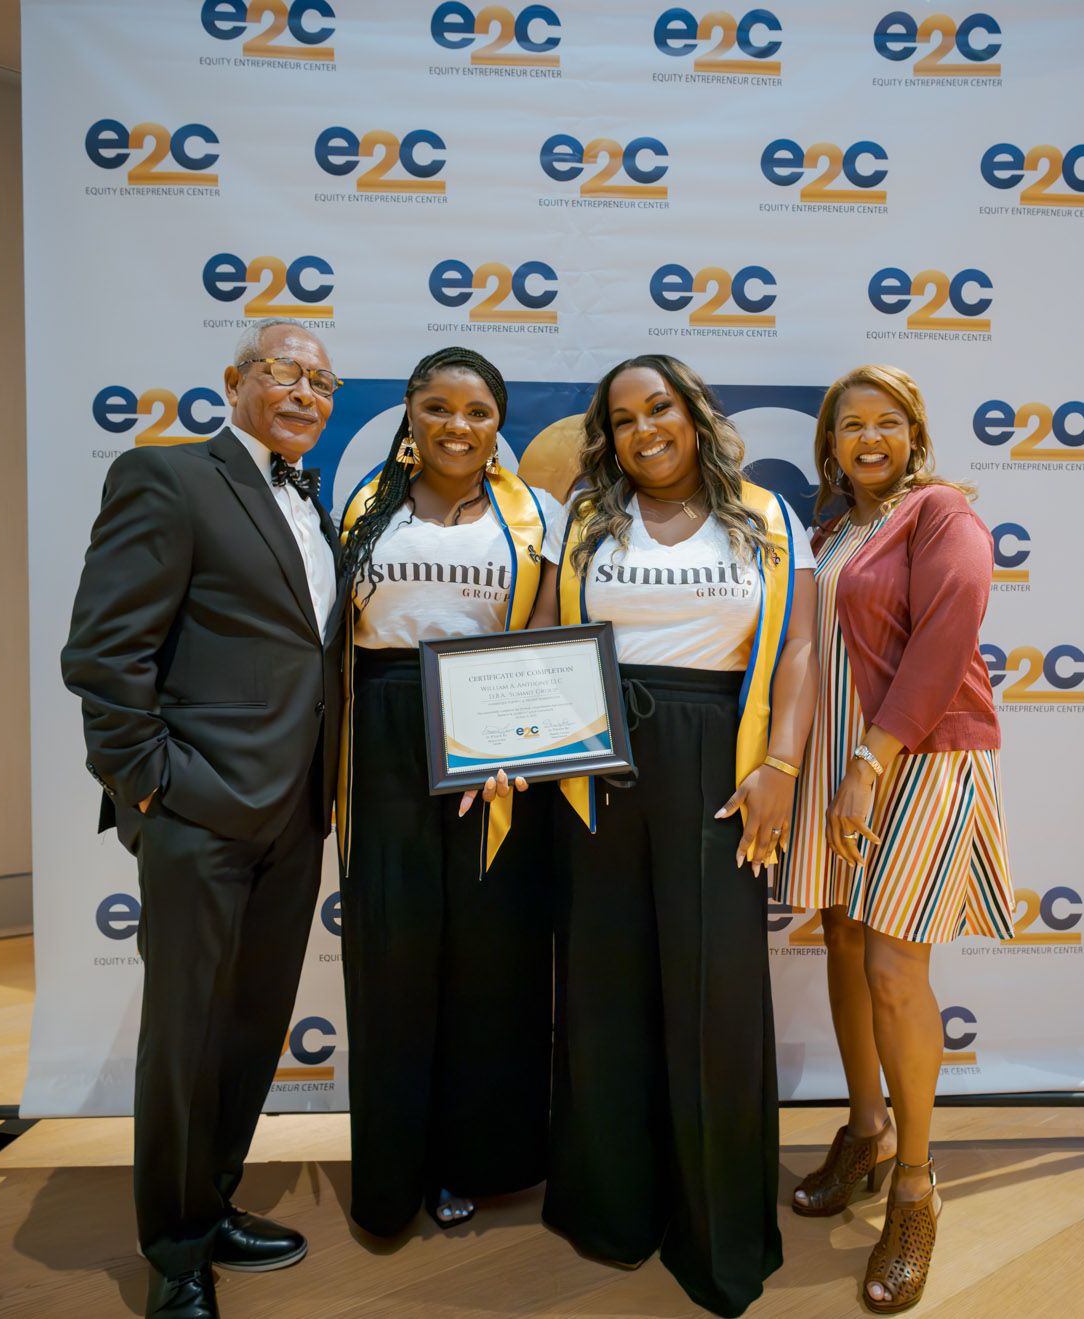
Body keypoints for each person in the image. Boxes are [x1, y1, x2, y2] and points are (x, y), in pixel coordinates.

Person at [62, 319, 345, 1319]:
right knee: (185, 1040)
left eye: (322, 381)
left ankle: (213, 1200)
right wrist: (149, 785)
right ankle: (175, 1250)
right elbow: (104, 651)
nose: (305, 392)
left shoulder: (316, 504)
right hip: (198, 810)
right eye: (284, 371)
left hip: (297, 812)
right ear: (234, 381)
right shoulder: (169, 478)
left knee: (251, 1028)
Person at [545, 354, 817, 1317]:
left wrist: (780, 766)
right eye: (621, 420)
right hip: (597, 763)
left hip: (719, 763)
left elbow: (800, 647)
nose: (643, 430)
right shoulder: (584, 516)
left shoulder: (769, 517)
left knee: (715, 994)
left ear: (693, 415)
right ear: (607, 438)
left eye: (657, 408)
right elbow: (540, 640)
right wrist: (504, 741)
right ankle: (615, 1209)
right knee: (605, 985)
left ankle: (717, 1232)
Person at [774, 364, 1014, 1314]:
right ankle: (866, 1130)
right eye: (850, 425)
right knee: (841, 938)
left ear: (914, 432)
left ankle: (916, 1185)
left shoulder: (942, 513)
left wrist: (869, 764)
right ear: (829, 443)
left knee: (891, 969)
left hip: (919, 757)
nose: (868, 439)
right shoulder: (833, 532)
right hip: (845, 760)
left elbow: (945, 641)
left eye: (886, 422)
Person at [333, 347, 564, 1236]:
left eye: (476, 411)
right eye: (437, 407)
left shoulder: (536, 513)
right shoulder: (362, 508)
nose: (456, 426)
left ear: (499, 422)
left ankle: (477, 1159)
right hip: (383, 729)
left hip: (490, 733)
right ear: (410, 413)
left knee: (490, 954)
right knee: (393, 951)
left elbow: (546, 632)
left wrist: (515, 738)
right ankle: (396, 1173)